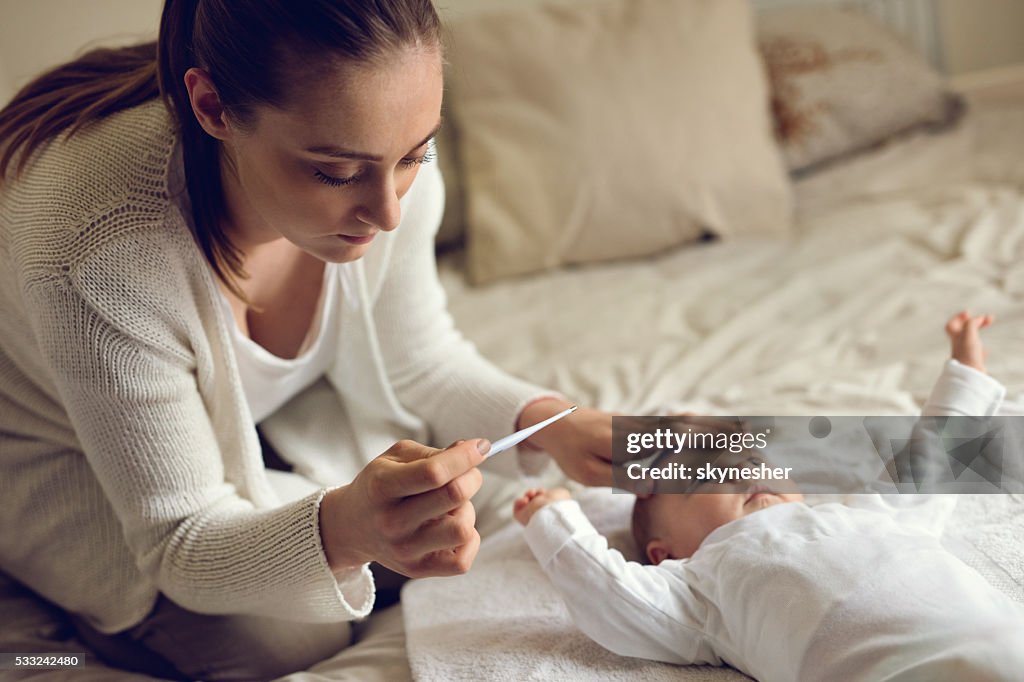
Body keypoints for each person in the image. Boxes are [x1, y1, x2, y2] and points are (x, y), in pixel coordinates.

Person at [0, 1, 616, 679]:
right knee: (291, 643)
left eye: (416, 155)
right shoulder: (99, 255)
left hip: (260, 420)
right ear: (212, 108)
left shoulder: (382, 153)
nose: (388, 214)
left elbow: (421, 362)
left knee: (532, 515)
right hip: (54, 453)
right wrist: (348, 529)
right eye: (335, 173)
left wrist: (554, 426)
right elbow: (181, 537)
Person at [514, 312, 1024, 682]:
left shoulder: (870, 515)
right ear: (663, 552)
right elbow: (612, 597)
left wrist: (967, 373)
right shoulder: (699, 587)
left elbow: (932, 464)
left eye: (754, 460)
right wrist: (554, 517)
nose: (746, 472)